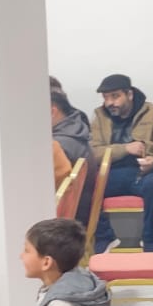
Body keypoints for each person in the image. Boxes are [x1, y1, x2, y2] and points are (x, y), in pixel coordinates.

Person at [89, 73, 153, 253]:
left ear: (130, 94)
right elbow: (94, 152)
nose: (110, 102)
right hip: (112, 174)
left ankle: (149, 238)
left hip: (144, 173)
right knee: (86, 186)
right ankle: (105, 237)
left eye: (115, 96)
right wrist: (125, 148)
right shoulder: (99, 117)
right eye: (106, 97)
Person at [49, 88, 95, 224]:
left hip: (67, 219)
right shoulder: (77, 131)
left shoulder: (58, 145)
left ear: (52, 112)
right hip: (79, 212)